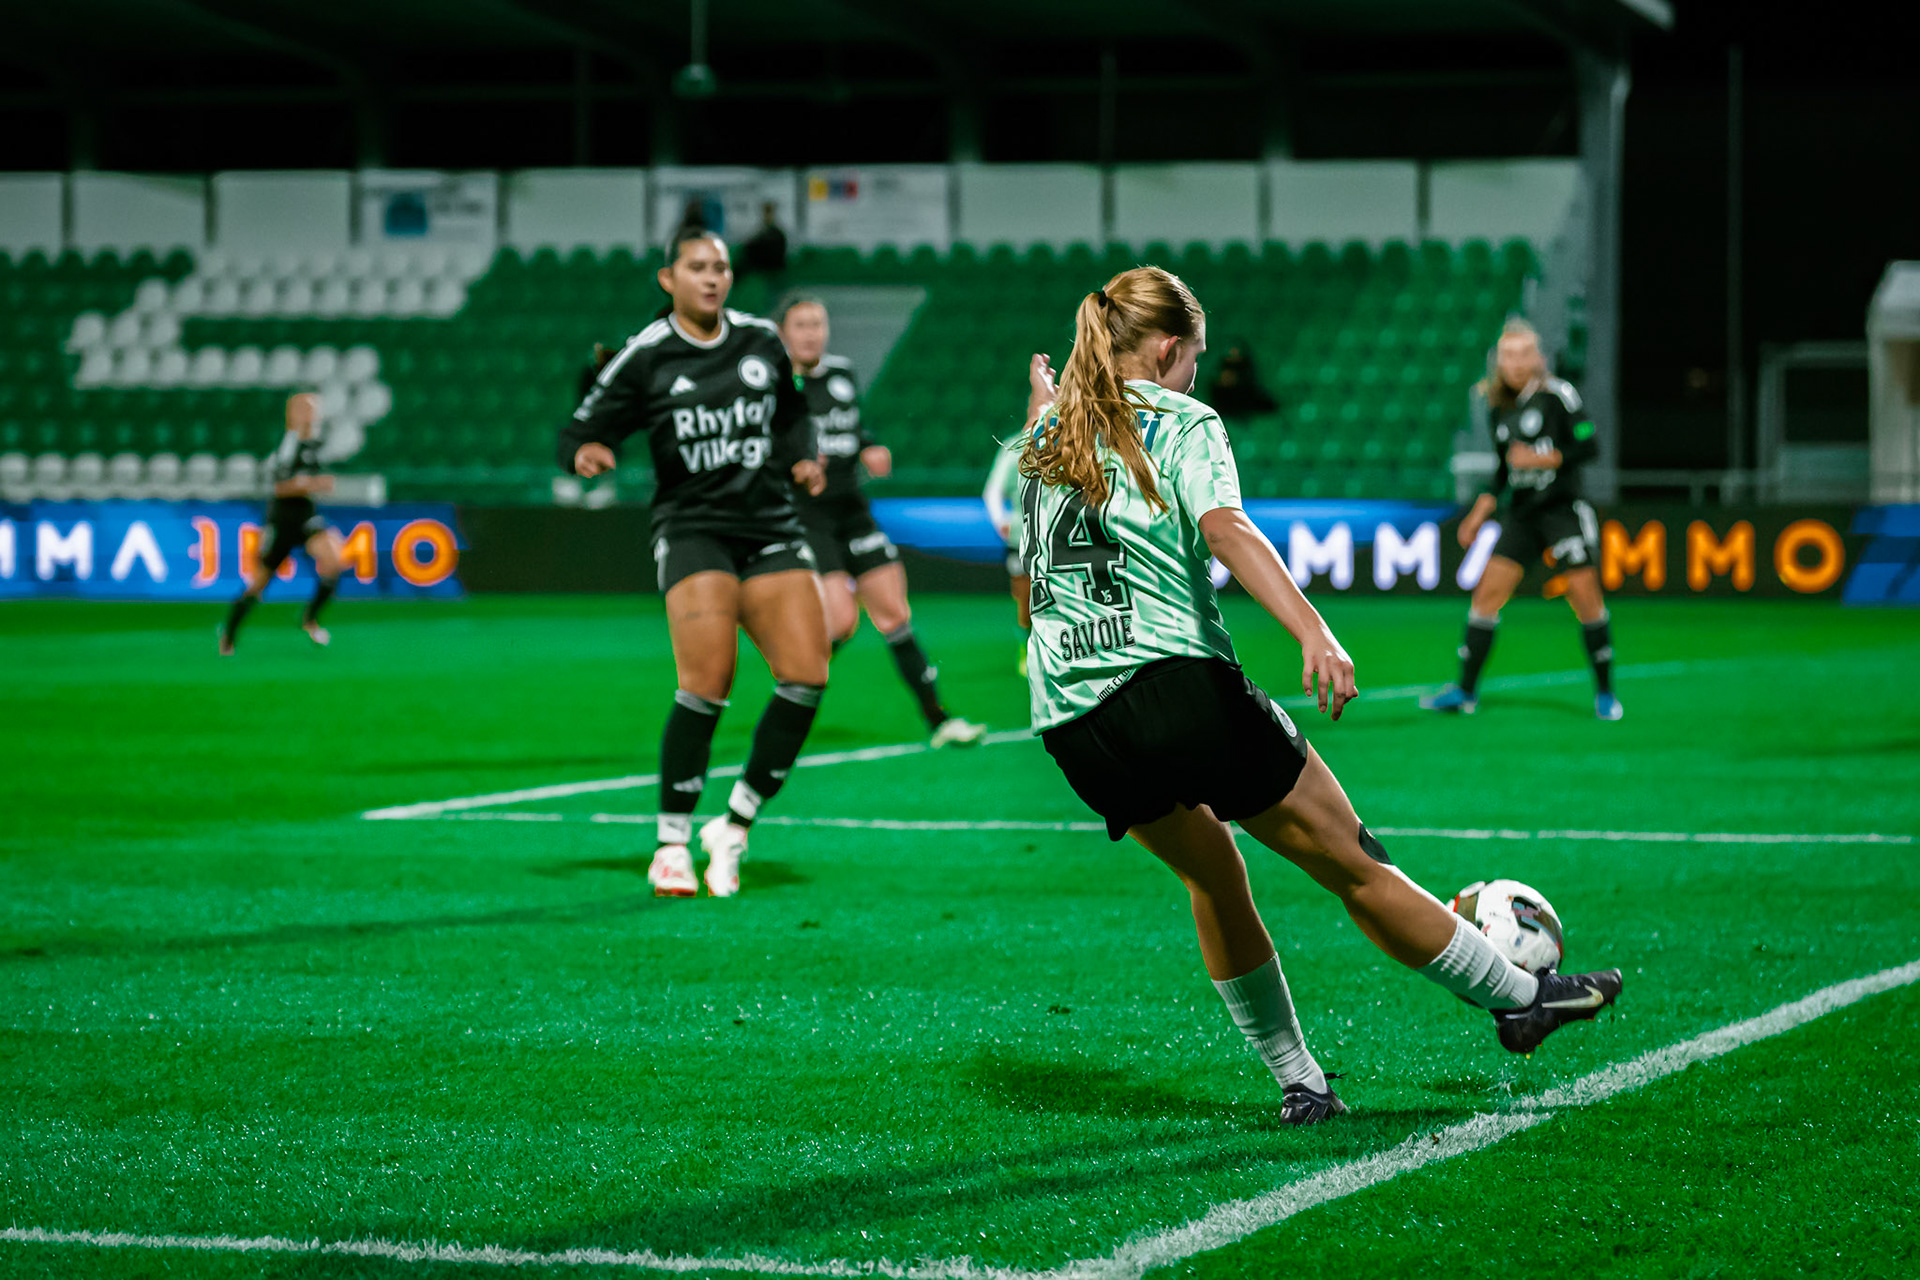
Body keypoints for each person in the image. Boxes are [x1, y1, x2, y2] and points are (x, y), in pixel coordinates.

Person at [1020, 269, 1623, 1123]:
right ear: (1165, 349)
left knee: (1216, 876)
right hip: (1174, 683)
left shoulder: (1043, 436)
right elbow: (1225, 527)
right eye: (1192, 358)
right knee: (1351, 860)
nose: (1195, 375)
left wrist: (1040, 417)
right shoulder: (1183, 420)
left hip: (1074, 720)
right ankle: (1522, 998)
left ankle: (1301, 1085)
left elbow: (1028, 596)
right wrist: (1313, 629)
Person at [557, 228, 830, 900]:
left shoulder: (761, 339)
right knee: (708, 681)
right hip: (693, 530)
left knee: (807, 675)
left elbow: (794, 414)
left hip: (768, 525)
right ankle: (671, 843)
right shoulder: (647, 355)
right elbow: (579, 428)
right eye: (698, 268)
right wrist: (587, 453)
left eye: (721, 268)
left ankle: (733, 825)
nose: (712, 278)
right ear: (668, 279)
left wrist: (803, 454)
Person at [777, 294, 985, 749]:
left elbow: (856, 428)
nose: (812, 332)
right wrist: (792, 465)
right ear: (783, 334)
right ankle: (793, 683)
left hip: (853, 510)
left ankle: (939, 719)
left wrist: (871, 447)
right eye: (802, 324)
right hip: (808, 516)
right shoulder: (774, 387)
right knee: (842, 623)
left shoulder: (841, 375)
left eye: (818, 323)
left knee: (894, 613)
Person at [1420, 318, 1620, 720]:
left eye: (1523, 354)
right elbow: (1502, 472)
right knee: (1486, 595)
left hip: (1562, 511)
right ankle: (1465, 691)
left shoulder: (1558, 395)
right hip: (1524, 515)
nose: (1515, 362)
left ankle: (1605, 693)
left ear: (1537, 357)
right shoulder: (1499, 406)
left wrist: (1545, 458)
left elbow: (1590, 445)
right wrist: (1478, 514)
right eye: (1508, 355)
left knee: (1585, 598)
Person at [218, 392, 343, 655]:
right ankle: (229, 632)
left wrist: (315, 484)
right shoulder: (288, 445)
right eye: (307, 410)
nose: (313, 415)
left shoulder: (315, 444)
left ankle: (309, 618)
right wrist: (313, 484)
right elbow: (279, 487)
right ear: (293, 414)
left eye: (315, 410)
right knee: (259, 582)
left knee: (334, 560)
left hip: (307, 515)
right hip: (283, 519)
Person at [982, 435, 1030, 675]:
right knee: (1026, 598)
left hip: (1062, 536)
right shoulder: (1016, 445)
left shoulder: (1075, 434)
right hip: (1022, 536)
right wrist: (1000, 519)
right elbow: (993, 489)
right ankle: (1026, 645)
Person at [1204, 338, 1277, 419]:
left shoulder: (1260, 402)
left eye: (1236, 369)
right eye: (1227, 367)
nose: (1229, 374)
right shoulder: (1211, 410)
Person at [740, 202, 789, 279]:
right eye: (766, 212)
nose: (766, 216)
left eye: (768, 212)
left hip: (772, 269)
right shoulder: (763, 231)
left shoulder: (776, 234)